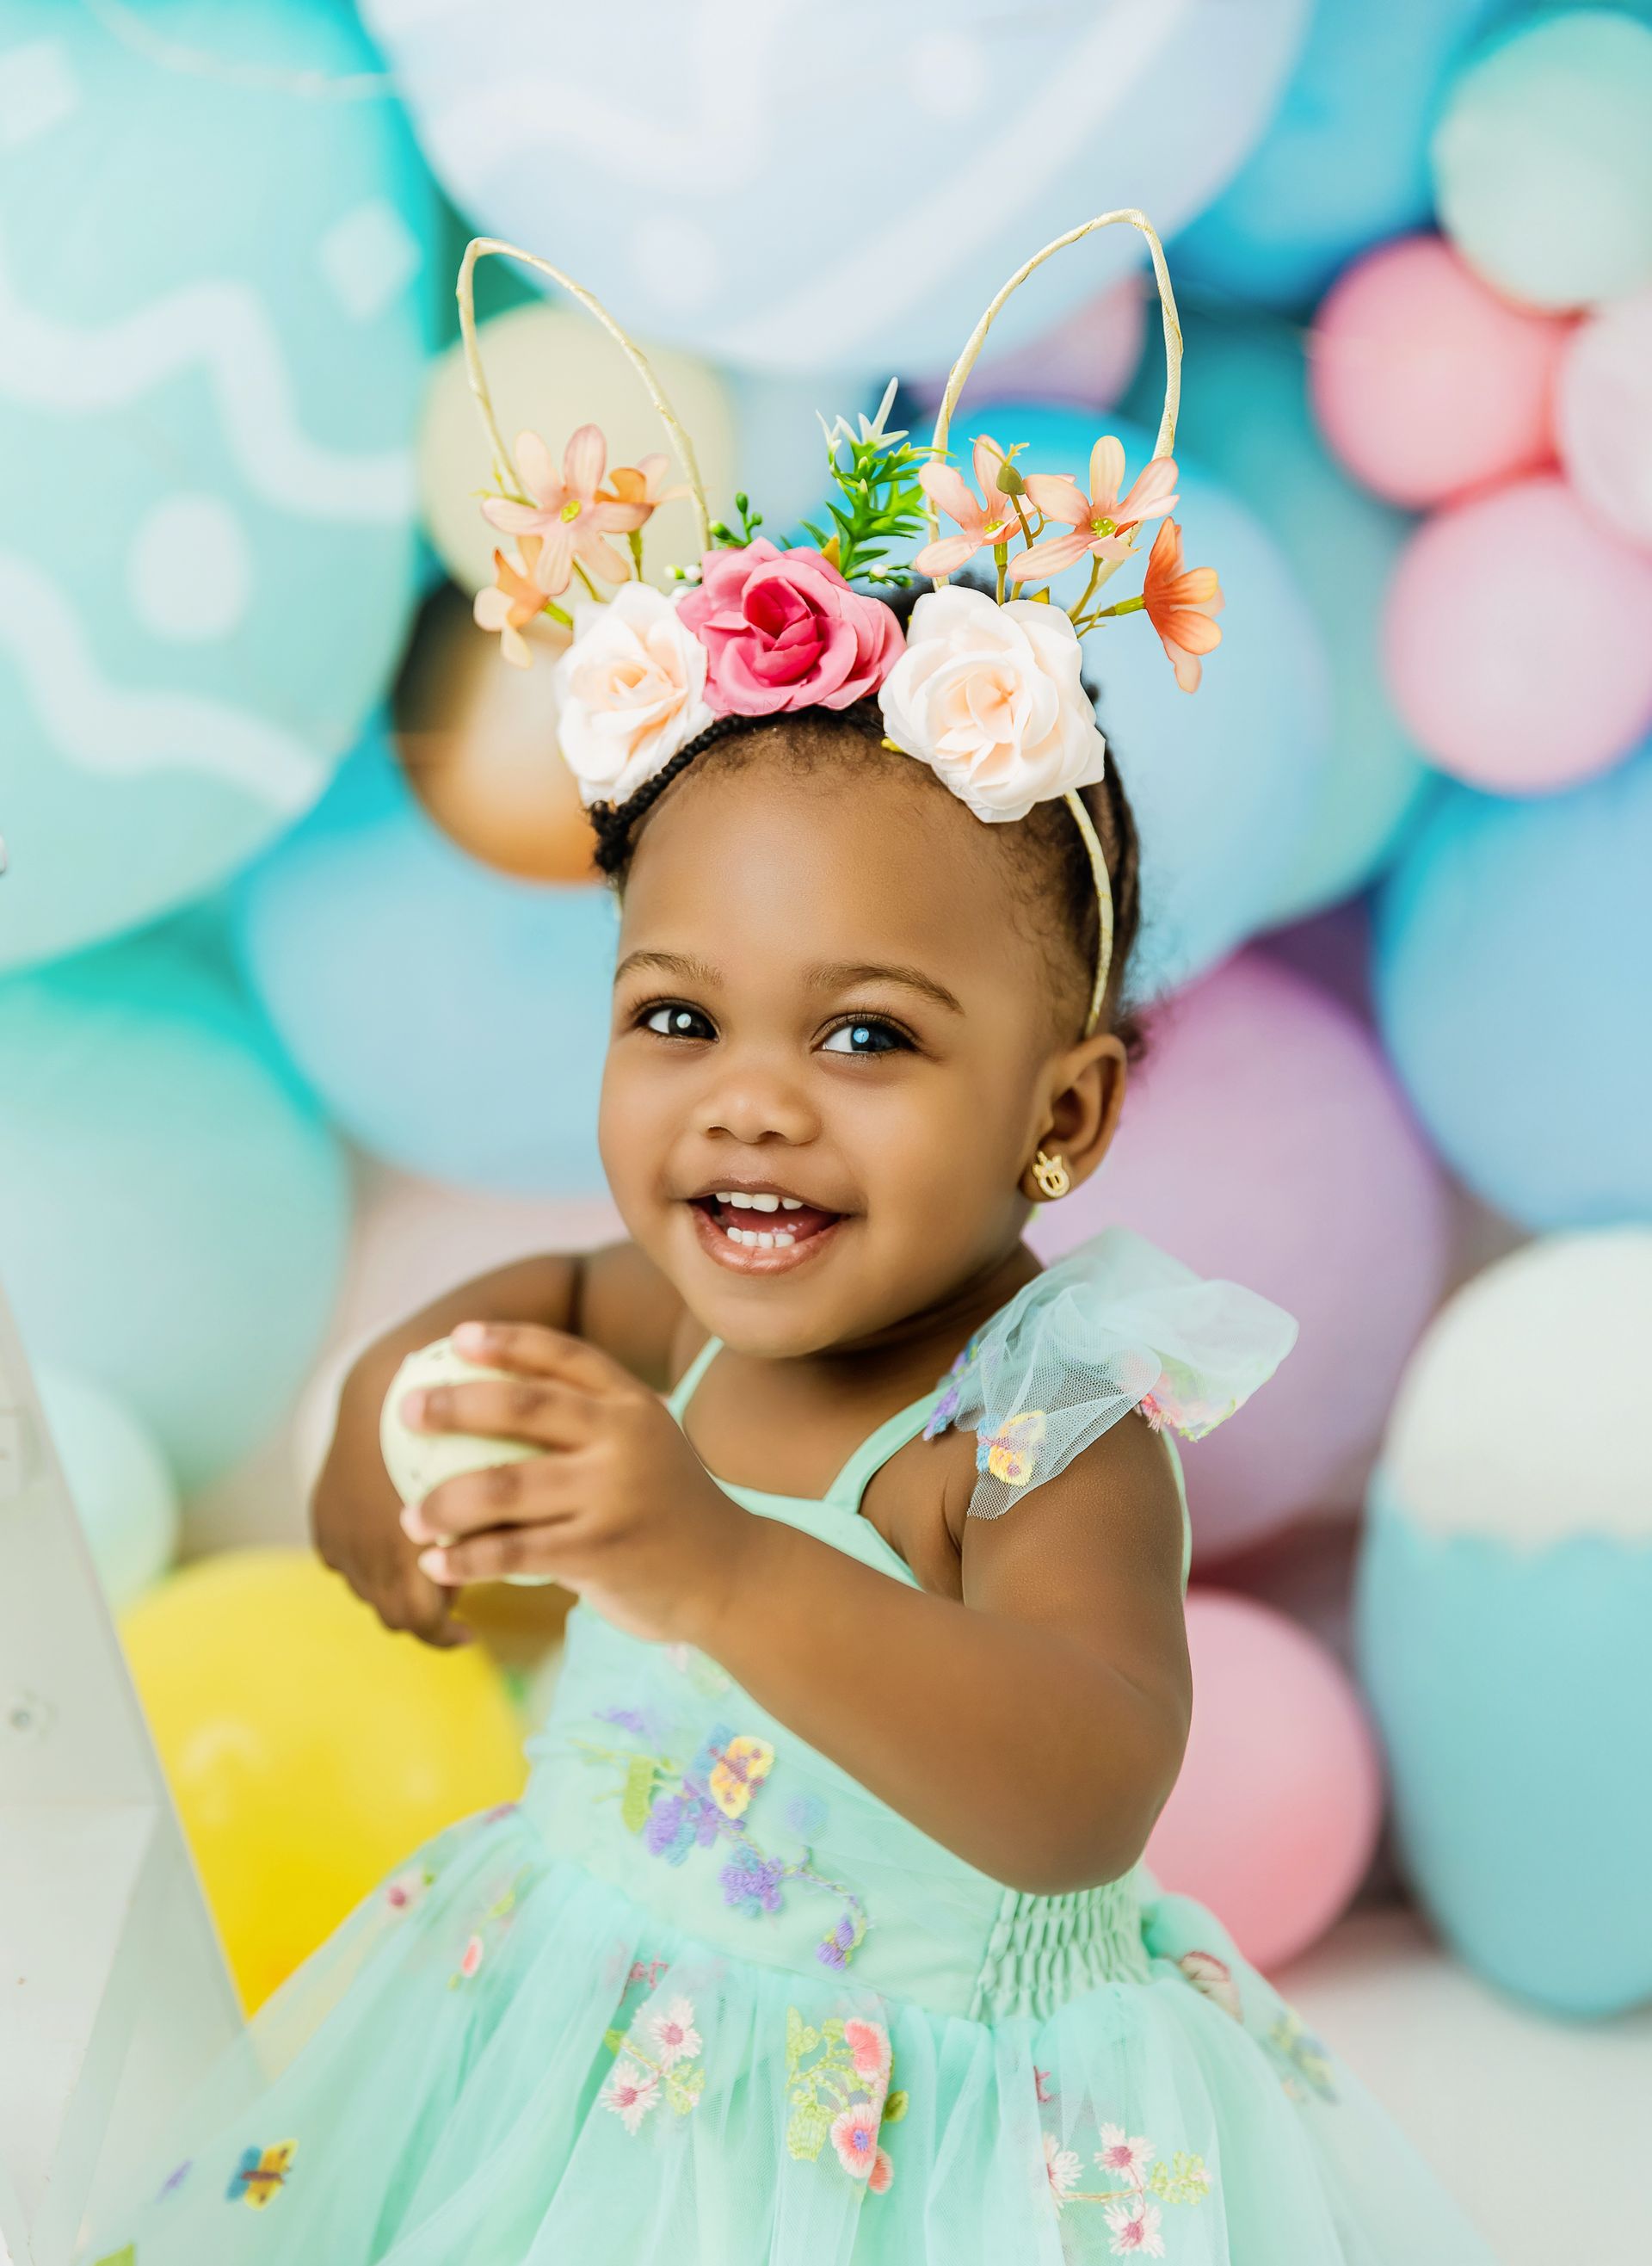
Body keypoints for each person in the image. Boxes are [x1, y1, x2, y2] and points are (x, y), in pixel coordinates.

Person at [81, 216, 1502, 2265]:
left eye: (866, 1035)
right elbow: (522, 1306)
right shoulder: (681, 1305)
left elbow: (1082, 1786)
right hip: (578, 2029)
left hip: (924, 2145)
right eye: (679, 1017)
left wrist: (718, 1564)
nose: (749, 1098)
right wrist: (382, 1422)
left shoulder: (1052, 1432)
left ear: (1063, 1114)